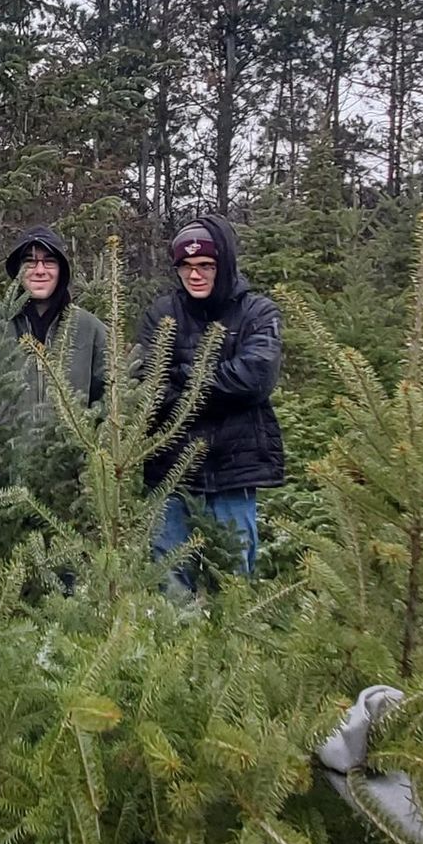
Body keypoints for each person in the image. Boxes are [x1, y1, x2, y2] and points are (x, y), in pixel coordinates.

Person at [135, 216, 284, 578]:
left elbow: (255, 379)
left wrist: (185, 378)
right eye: (185, 266)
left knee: (233, 580)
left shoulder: (257, 312)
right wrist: (221, 386)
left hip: (235, 469)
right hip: (170, 470)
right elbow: (149, 385)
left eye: (206, 265)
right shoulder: (162, 314)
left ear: (225, 265)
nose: (195, 274)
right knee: (169, 582)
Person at [0, 225, 108, 410]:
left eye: (49, 262)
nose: (40, 270)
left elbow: (111, 404)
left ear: (62, 271)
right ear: (17, 269)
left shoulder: (90, 330)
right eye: (30, 262)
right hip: (2, 440)